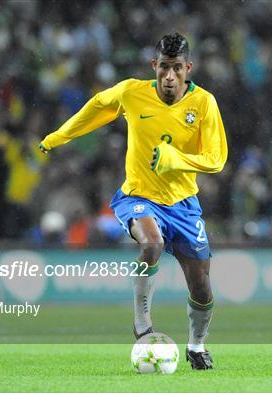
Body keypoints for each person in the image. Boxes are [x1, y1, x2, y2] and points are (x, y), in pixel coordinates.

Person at [39, 33, 227, 370]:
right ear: (154, 66)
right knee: (151, 243)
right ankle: (142, 325)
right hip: (138, 195)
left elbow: (216, 159)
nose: (170, 77)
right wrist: (58, 137)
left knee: (201, 286)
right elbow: (96, 107)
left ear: (189, 68)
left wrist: (176, 159)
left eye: (177, 69)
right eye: (164, 68)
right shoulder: (131, 92)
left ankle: (197, 346)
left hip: (183, 204)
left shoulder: (204, 104)